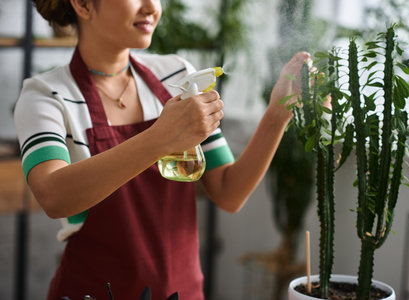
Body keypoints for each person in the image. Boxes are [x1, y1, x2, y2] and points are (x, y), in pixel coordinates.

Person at [13, 0, 310, 299]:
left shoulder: (178, 77)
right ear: (83, 5)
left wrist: (277, 113)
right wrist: (162, 137)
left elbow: (229, 192)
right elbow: (54, 196)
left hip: (183, 291)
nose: (151, 7)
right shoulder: (45, 96)